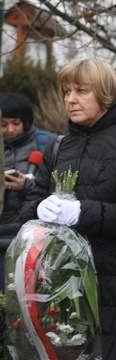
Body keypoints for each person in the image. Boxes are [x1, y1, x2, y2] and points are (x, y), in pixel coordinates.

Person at [20, 58, 116, 360]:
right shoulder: (60, 146)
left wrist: (81, 212)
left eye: (81, 91)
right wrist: (40, 209)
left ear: (104, 93)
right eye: (66, 91)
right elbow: (28, 207)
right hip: (62, 296)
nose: (70, 99)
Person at [1, 93, 57, 290]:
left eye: (15, 123)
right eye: (3, 124)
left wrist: (25, 185)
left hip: (33, 241)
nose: (10, 130)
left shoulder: (47, 144)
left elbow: (59, 189)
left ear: (26, 121)